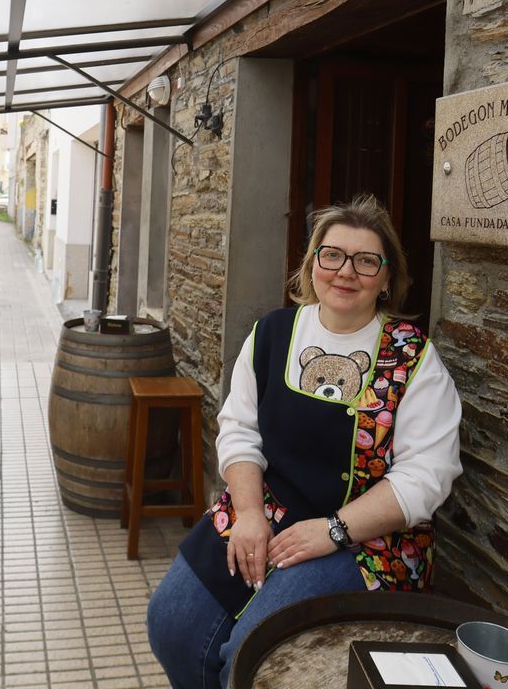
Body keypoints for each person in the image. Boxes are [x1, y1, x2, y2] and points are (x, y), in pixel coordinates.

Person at [147, 195, 463, 689]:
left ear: (386, 279)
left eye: (366, 261)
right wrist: (249, 512)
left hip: (366, 541)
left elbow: (426, 476)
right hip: (265, 509)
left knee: (253, 654)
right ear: (313, 263)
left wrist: (334, 531)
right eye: (332, 255)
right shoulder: (272, 334)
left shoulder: (414, 360)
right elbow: (239, 429)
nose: (345, 272)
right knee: (172, 624)